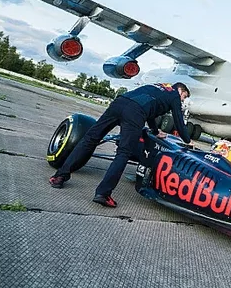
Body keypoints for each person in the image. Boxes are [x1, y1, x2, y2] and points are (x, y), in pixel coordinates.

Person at [49, 82, 193, 208]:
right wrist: (187, 141)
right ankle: (103, 194)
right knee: (124, 153)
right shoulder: (174, 94)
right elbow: (178, 121)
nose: (183, 100)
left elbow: (150, 112)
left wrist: (155, 131)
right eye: (184, 96)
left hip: (119, 103)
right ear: (180, 90)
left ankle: (59, 176)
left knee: (90, 138)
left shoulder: (158, 87)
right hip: (135, 113)